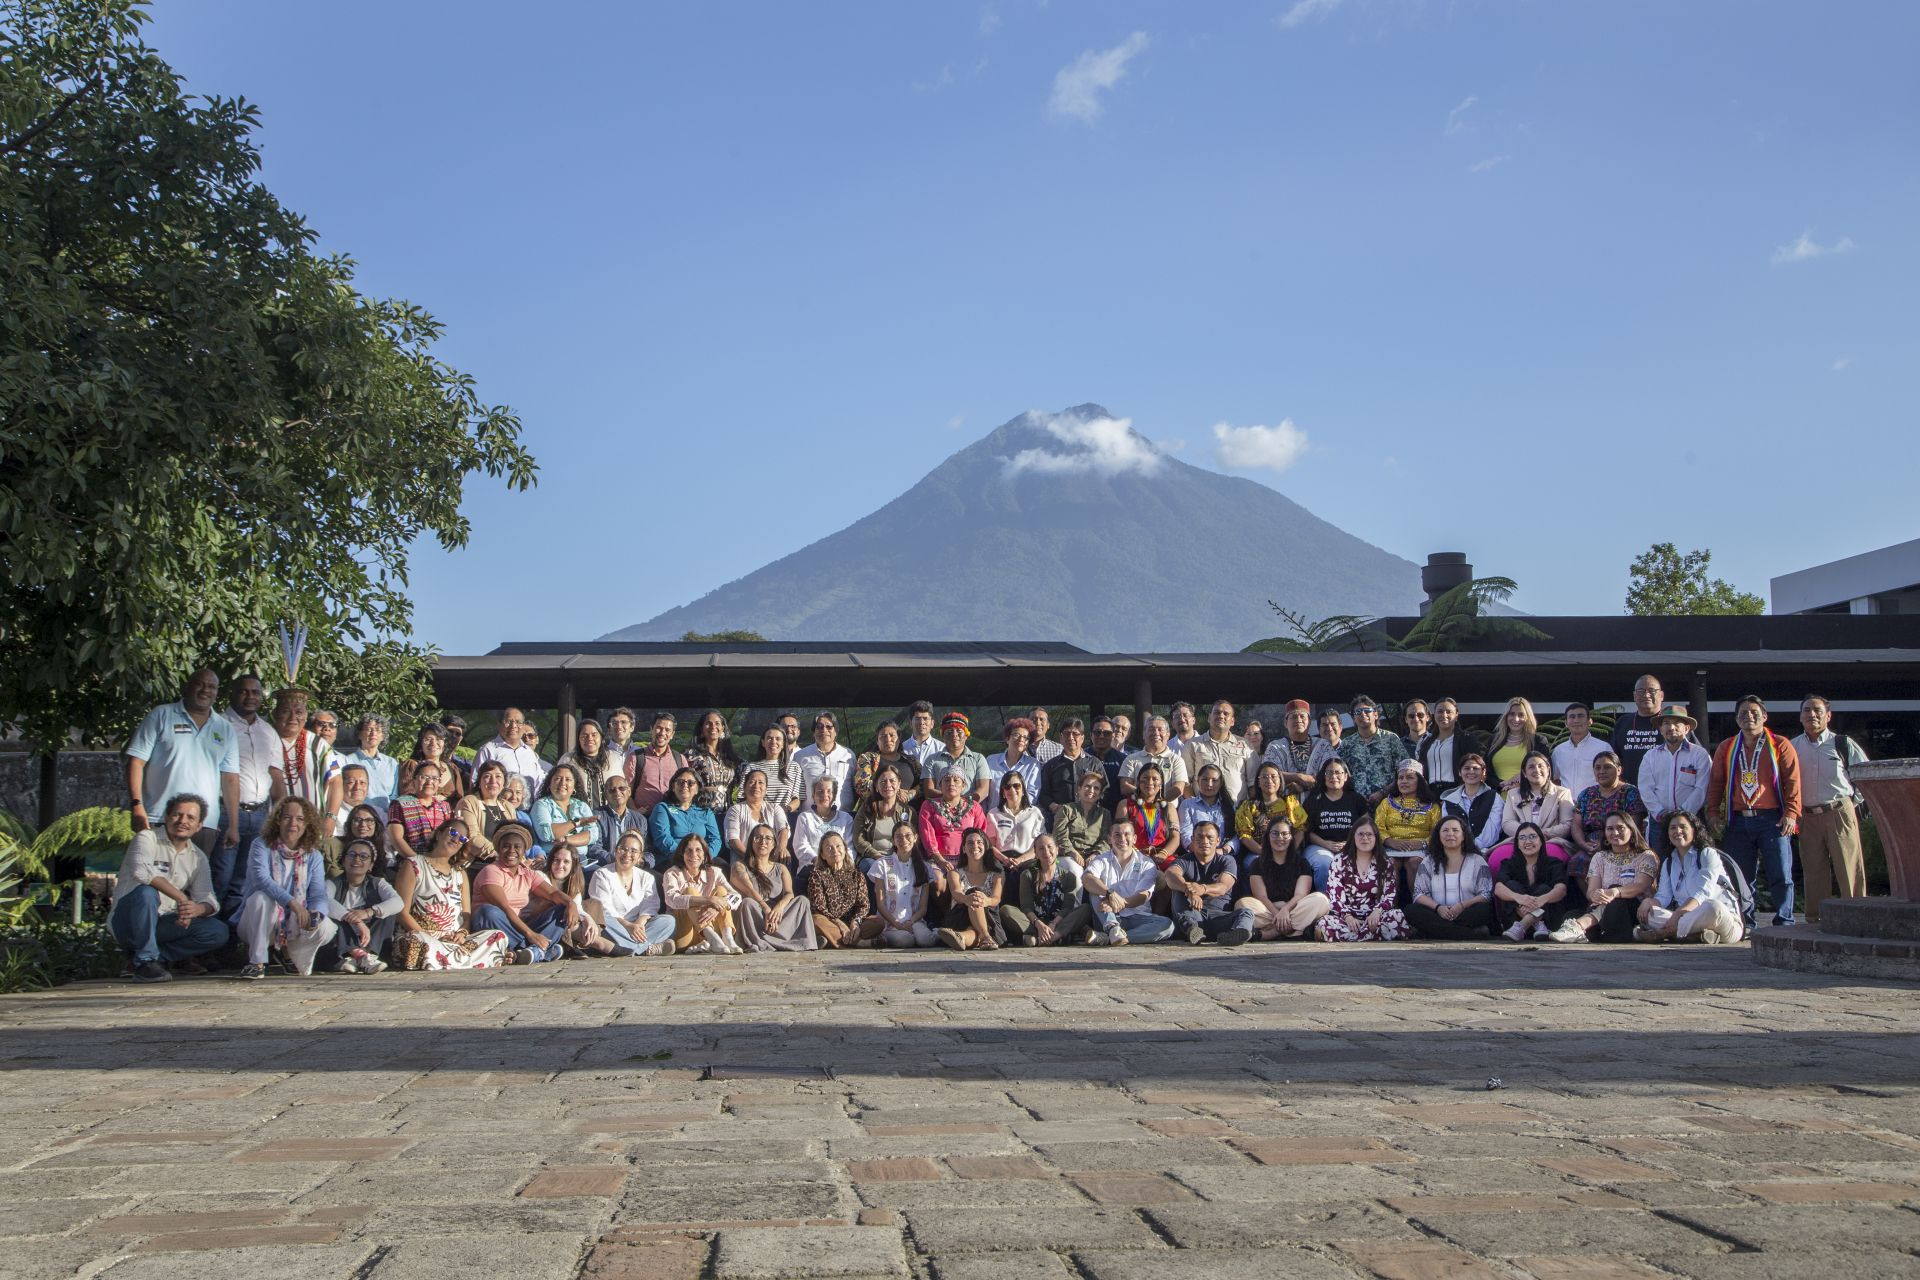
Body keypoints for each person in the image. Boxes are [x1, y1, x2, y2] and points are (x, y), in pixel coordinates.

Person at [125, 670, 241, 871]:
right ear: (186, 687)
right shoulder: (161, 715)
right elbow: (136, 762)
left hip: (203, 824)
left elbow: (230, 778)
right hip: (159, 817)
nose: (206, 690)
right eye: (200, 684)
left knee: (192, 888)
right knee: (153, 884)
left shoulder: (225, 728)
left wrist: (233, 824)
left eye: (212, 687)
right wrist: (137, 806)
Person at [109, 794, 230, 982]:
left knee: (217, 931)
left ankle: (151, 960)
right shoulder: (146, 838)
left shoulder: (198, 857)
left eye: (190, 818)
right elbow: (142, 873)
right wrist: (182, 898)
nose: (183, 821)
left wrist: (197, 909)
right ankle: (145, 961)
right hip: (127, 922)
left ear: (199, 826)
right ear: (166, 817)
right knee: (146, 893)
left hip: (163, 923)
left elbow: (209, 897)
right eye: (176, 815)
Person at [1707, 693, 1802, 929]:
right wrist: (1712, 812)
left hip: (1772, 818)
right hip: (1738, 820)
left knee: (1780, 873)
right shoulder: (1727, 747)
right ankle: (1745, 923)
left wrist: (1791, 813)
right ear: (1736, 719)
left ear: (1764, 717)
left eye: (1754, 713)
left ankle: (1784, 921)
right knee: (1740, 876)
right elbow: (1716, 782)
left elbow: (1792, 781)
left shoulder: (1780, 744)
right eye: (1743, 713)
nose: (1748, 716)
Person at [391, 817, 512, 970]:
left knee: (498, 936)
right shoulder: (413, 864)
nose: (456, 839)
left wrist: (461, 934)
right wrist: (429, 937)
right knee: (418, 942)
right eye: (453, 832)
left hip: (454, 940)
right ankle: (466, 960)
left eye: (462, 838)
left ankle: (447, 959)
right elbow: (402, 912)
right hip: (423, 935)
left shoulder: (459, 873)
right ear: (439, 833)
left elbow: (466, 916)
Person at [236, 797, 338, 980]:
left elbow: (318, 893)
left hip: (292, 923)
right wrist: (293, 904)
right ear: (277, 820)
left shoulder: (313, 855)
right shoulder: (261, 845)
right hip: (256, 921)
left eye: (299, 819)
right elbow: (262, 880)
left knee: (326, 927)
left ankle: (288, 954)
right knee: (262, 898)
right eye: (286, 817)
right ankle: (256, 962)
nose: (293, 823)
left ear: (308, 824)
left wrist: (316, 915)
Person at [1790, 695, 1870, 921]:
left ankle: (1856, 916)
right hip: (1806, 816)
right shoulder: (1792, 746)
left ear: (1828, 715)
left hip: (1839, 811)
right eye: (1806, 710)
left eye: (1817, 710)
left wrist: (1851, 805)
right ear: (1800, 715)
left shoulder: (1842, 743)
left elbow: (1864, 776)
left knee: (1849, 867)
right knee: (1813, 870)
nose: (1811, 715)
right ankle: (1815, 919)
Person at [473, 826, 587, 963]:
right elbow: (505, 907)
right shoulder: (491, 871)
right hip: (499, 926)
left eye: (517, 847)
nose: (511, 851)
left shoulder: (528, 873)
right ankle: (540, 951)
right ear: (498, 849)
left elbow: (553, 893)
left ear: (524, 850)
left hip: (520, 926)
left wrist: (570, 903)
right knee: (488, 911)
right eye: (506, 846)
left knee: (561, 907)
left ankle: (531, 952)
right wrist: (530, 934)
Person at [221, 674, 282, 914]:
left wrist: (280, 816)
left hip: (259, 815)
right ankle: (209, 938)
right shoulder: (218, 724)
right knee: (220, 876)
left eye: (255, 692)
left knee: (244, 881)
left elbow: (276, 775)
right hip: (226, 813)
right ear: (233, 694)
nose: (250, 697)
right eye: (244, 691)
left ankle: (232, 940)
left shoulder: (268, 731)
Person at [1547, 812, 1659, 943]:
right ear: (1605, 833)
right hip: (1605, 910)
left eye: (1620, 828)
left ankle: (1578, 926)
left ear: (1631, 830)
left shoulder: (1646, 856)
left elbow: (1641, 886)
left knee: (1615, 896)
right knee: (1570, 915)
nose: (1615, 833)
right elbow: (1591, 891)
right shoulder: (1600, 857)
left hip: (1636, 910)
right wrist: (1595, 895)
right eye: (1610, 829)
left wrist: (1615, 892)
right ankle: (1584, 929)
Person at [1637, 812, 1743, 944]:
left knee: (1713, 907)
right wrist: (1649, 902)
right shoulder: (1669, 862)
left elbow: (1704, 892)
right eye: (1673, 828)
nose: (1678, 831)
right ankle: (1695, 935)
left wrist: (1678, 913)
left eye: (1683, 827)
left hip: (1722, 921)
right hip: (1687, 918)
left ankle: (1667, 933)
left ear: (1694, 830)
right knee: (1651, 914)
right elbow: (1664, 896)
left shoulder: (1707, 853)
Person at [1315, 817, 1412, 942]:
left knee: (1396, 916)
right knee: (1325, 922)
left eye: (1369, 834)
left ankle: (1353, 936)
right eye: (1360, 834)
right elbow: (1334, 895)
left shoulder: (1385, 862)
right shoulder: (1339, 860)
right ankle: (1372, 936)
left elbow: (1390, 894)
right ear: (1353, 836)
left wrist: (1377, 912)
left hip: (1375, 917)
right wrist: (1347, 916)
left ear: (1376, 838)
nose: (1365, 838)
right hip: (1347, 918)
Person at [726, 823, 818, 951]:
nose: (763, 842)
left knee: (802, 901)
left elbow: (789, 893)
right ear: (751, 842)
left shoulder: (781, 868)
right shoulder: (740, 866)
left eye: (768, 838)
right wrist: (766, 908)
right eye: (757, 838)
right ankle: (769, 942)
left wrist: (779, 908)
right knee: (747, 903)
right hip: (757, 914)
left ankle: (794, 941)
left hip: (778, 916)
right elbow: (749, 890)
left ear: (774, 844)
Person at [1235, 818, 1330, 942]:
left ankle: (1271, 933)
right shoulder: (1257, 863)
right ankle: (1294, 931)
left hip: (1294, 908)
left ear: (1291, 837)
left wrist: (1285, 910)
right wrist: (1277, 914)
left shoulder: (1301, 863)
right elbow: (1261, 896)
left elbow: (1300, 895)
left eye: (1285, 834)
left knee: (1321, 900)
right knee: (1242, 905)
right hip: (1268, 910)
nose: (1280, 838)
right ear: (1268, 837)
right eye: (1275, 833)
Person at [588, 832, 679, 956]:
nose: (627, 854)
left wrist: (638, 924)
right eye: (623, 849)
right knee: (604, 921)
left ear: (640, 856)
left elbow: (650, 906)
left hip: (639, 928)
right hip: (615, 926)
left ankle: (629, 947)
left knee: (668, 921)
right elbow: (604, 909)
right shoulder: (602, 874)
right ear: (615, 850)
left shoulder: (646, 877)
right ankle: (646, 949)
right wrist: (627, 926)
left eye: (633, 851)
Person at [1638, 704, 1712, 856]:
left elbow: (1702, 788)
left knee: (1693, 863)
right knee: (1660, 867)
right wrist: (1660, 813)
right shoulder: (1650, 756)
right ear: (1660, 729)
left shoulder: (1699, 755)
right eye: (1666, 723)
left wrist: (1683, 814)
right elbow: (1645, 788)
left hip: (1690, 820)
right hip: (1659, 822)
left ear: (1687, 728)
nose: (1671, 727)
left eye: (1676, 723)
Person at [1082, 822, 1174, 945]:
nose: (1122, 839)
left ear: (1134, 838)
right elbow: (1087, 878)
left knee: (1167, 925)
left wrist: (1120, 903)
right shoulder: (1101, 860)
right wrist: (1109, 894)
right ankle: (1112, 929)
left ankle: (1110, 938)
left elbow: (1143, 896)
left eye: (1127, 834)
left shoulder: (1146, 863)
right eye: (1117, 835)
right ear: (1109, 839)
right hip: (1107, 916)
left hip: (1137, 916)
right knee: (1095, 888)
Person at [1406, 815, 1495, 940]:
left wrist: (1462, 906)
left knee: (1485, 910)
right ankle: (1469, 934)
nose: (1450, 834)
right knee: (1411, 910)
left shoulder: (1477, 861)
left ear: (1464, 835)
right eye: (1445, 830)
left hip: (1465, 912)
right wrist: (1438, 908)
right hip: (1437, 913)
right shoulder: (1429, 861)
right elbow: (1418, 894)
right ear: (1438, 835)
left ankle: (1434, 932)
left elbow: (1486, 894)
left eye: (1455, 830)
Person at [319, 839, 400, 973]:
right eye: (352, 855)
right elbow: (324, 900)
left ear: (371, 865)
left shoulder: (378, 883)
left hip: (369, 939)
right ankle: (352, 956)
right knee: (331, 916)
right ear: (344, 861)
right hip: (340, 942)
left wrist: (368, 912)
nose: (357, 859)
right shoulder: (332, 883)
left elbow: (398, 902)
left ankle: (366, 956)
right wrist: (356, 920)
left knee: (388, 914)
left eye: (363, 856)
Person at [1164, 821, 1251, 945]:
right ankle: (1193, 931)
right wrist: (1188, 890)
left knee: (1246, 913)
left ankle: (1235, 935)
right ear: (1192, 839)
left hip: (1218, 917)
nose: (1205, 841)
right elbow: (1170, 875)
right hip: (1191, 916)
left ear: (1218, 841)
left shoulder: (1227, 861)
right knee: (1177, 892)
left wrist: (1203, 889)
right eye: (1199, 837)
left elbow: (1223, 887)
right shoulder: (1183, 860)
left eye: (1210, 837)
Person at [661, 834, 744, 955]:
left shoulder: (714, 872)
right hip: (685, 934)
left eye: (698, 850)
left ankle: (727, 939)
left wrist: (716, 907)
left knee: (721, 891)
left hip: (715, 930)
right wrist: (708, 900)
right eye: (688, 850)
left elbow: (736, 896)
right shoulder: (672, 873)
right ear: (682, 854)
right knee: (690, 892)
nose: (693, 854)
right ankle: (712, 940)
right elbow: (672, 900)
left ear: (704, 854)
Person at [1000, 835, 1089, 947]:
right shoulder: (1027, 875)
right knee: (1006, 910)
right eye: (1041, 848)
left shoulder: (1068, 876)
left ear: (1057, 850)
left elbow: (1067, 907)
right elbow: (1026, 907)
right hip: (1034, 922)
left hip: (1058, 922)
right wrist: (1039, 925)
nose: (1046, 851)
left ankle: (1050, 937)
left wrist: (1053, 924)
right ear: (1036, 853)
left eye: (1049, 847)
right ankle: (1051, 936)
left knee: (1085, 909)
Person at [1494, 751, 1576, 872]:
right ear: (1524, 773)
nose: (1536, 770)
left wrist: (1540, 834)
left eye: (1540, 766)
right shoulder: (1513, 794)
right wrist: (1526, 835)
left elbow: (1567, 825)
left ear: (1548, 769)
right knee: (1497, 859)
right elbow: (1507, 822)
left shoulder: (1562, 793)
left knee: (1550, 856)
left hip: (1551, 841)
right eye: (1531, 767)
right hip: (1519, 842)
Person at [1571, 752, 1647, 879]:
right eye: (1598, 767)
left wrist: (1606, 844)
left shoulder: (1630, 792)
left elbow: (1634, 826)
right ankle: (1592, 897)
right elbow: (1576, 825)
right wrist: (1583, 844)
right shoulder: (1586, 794)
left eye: (1607, 767)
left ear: (1619, 770)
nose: (1602, 771)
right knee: (1577, 862)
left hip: (1621, 843)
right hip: (1590, 845)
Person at [1375, 760, 1440, 904]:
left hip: (1421, 849)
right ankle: (1389, 910)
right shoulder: (1387, 803)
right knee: (1391, 863)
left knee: (1414, 862)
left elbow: (1437, 832)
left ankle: (1419, 908)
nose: (1404, 781)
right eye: (1401, 778)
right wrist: (1390, 841)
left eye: (1409, 777)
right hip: (1390, 847)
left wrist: (1423, 843)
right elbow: (1377, 827)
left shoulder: (1432, 806)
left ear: (1420, 781)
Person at [1493, 822, 1570, 941]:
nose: (1527, 841)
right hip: (1515, 923)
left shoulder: (1554, 863)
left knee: (1544, 889)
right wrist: (1519, 898)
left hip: (1548, 923)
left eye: (1532, 837)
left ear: (1541, 841)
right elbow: (1498, 888)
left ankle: (1522, 926)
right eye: (1522, 838)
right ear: (1517, 843)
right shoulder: (1509, 863)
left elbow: (1561, 890)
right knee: (1511, 886)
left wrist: (1540, 900)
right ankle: (1537, 924)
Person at [867, 822, 938, 948]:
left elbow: (922, 907)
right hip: (889, 922)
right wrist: (896, 923)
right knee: (905, 940)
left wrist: (911, 921)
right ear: (893, 841)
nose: (903, 840)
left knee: (926, 940)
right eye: (898, 836)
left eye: (908, 835)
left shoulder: (924, 867)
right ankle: (883, 937)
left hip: (915, 921)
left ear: (915, 838)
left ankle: (940, 933)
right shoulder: (882, 865)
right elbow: (881, 904)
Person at [1302, 758, 1367, 891]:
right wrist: (1326, 844)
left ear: (1345, 776)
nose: (1334, 777)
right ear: (1323, 776)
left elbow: (1366, 826)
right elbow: (1306, 831)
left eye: (1338, 772)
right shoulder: (1314, 800)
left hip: (1352, 846)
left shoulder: (1356, 799)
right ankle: (1326, 902)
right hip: (1319, 846)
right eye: (1329, 773)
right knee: (1325, 863)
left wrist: (1350, 843)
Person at [1234, 762, 1306, 877]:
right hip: (1259, 853)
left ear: (1280, 779)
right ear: (1258, 781)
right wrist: (1265, 853)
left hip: (1288, 851)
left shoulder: (1290, 802)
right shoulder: (1248, 806)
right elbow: (1245, 836)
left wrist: (1289, 851)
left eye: (1273, 776)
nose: (1269, 780)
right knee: (1251, 864)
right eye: (1264, 777)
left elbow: (1300, 830)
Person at [935, 828, 1003, 951]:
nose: (975, 846)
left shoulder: (996, 874)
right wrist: (968, 898)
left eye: (979, 842)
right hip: (960, 916)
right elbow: (956, 893)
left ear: (986, 847)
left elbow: (996, 898)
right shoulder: (954, 873)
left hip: (989, 918)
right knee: (974, 893)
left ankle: (962, 937)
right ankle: (985, 936)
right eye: (970, 843)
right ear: (964, 849)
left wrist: (986, 901)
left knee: (976, 897)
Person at [1337, 695, 1410, 806]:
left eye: (1367, 711)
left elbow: (1405, 770)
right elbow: (1338, 773)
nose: (1362, 714)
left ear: (1375, 714)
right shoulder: (1347, 744)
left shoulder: (1391, 739)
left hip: (1388, 802)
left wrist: (1383, 792)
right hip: (1357, 805)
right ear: (1353, 718)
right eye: (1358, 712)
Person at [647, 769, 723, 874]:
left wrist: (703, 857)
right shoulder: (663, 808)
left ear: (697, 789)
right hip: (672, 859)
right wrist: (687, 857)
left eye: (691, 783)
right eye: (680, 782)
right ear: (673, 787)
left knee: (725, 868)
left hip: (702, 859)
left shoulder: (706, 812)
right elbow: (662, 839)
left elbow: (715, 840)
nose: (685, 786)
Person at [917, 763, 994, 866]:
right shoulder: (929, 806)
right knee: (939, 881)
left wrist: (971, 860)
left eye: (956, 780)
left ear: (963, 786)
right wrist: (940, 860)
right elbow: (927, 835)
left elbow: (980, 835)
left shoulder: (974, 807)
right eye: (947, 780)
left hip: (969, 859)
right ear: (940, 785)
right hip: (938, 860)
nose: (951, 784)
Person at [808, 831, 874, 948]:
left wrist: (856, 922)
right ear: (822, 855)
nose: (834, 850)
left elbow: (864, 905)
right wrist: (839, 923)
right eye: (829, 848)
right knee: (816, 920)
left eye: (838, 846)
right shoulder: (817, 875)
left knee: (877, 922)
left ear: (845, 849)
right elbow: (818, 907)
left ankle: (835, 939)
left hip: (853, 924)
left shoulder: (857, 875)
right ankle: (857, 943)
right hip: (830, 922)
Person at [1183, 700, 1253, 804]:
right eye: (1217, 712)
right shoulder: (1193, 745)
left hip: (1238, 810)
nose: (1221, 716)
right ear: (1209, 718)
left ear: (1232, 721)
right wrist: (1194, 805)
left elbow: (1253, 783)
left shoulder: (1245, 745)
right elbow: (1184, 781)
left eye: (1226, 714)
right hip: (1203, 811)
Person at [530, 764, 598, 873]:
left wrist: (566, 841)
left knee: (598, 874)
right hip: (553, 860)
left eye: (568, 779)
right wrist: (578, 822)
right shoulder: (541, 805)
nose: (562, 783)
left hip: (580, 859)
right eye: (558, 779)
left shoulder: (582, 806)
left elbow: (592, 835)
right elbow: (546, 833)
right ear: (549, 784)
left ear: (574, 786)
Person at [473, 707, 548, 803]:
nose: (513, 726)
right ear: (499, 724)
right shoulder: (488, 750)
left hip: (528, 813)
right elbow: (475, 783)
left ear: (523, 726)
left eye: (518, 722)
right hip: (500, 811)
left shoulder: (529, 753)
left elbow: (539, 783)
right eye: (508, 721)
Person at [1610, 675, 1675, 785]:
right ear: (1634, 696)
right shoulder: (1623, 722)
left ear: (1661, 695)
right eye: (1641, 691)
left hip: (1664, 791)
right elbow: (1613, 759)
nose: (1646, 695)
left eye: (1652, 690)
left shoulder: (1673, 724)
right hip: (1629, 792)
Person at [387, 761, 453, 866]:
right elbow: (396, 838)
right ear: (414, 780)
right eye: (424, 777)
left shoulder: (445, 807)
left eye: (435, 778)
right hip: (411, 864)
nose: (429, 782)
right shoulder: (400, 803)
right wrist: (419, 862)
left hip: (439, 864)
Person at [1115, 761, 1180, 868]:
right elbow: (1120, 836)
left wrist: (1163, 854)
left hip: (1163, 857)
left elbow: (1175, 838)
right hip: (1133, 856)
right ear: (1138, 782)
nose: (1150, 782)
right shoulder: (1125, 805)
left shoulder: (1168, 807)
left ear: (1161, 784)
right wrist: (1138, 856)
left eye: (1155, 779)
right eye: (1145, 778)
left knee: (1174, 874)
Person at [851, 764, 914, 873]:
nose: (888, 785)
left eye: (892, 781)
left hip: (900, 857)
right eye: (883, 782)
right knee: (876, 869)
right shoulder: (867, 808)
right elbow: (858, 839)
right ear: (876, 785)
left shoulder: (908, 811)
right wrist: (876, 855)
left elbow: (914, 840)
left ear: (899, 784)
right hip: (872, 858)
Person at [452, 760, 517, 865]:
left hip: (506, 863)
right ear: (479, 781)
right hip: (479, 864)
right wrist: (500, 854)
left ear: (504, 782)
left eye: (498, 776)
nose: (493, 781)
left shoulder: (508, 807)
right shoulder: (468, 802)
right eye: (487, 776)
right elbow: (471, 836)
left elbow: (515, 837)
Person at [1439, 753, 1505, 855]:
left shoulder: (1494, 797)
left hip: (1487, 851)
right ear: (1460, 772)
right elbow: (1448, 830)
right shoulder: (1449, 801)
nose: (1471, 771)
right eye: (1466, 768)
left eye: (1476, 768)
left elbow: (1493, 830)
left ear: (1483, 772)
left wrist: (1472, 847)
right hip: (1456, 851)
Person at [726, 766, 792, 866]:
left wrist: (781, 848)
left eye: (761, 782)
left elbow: (783, 830)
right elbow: (733, 840)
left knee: (785, 857)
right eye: (752, 782)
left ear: (766, 789)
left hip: (771, 862)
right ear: (744, 787)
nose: (756, 786)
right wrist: (754, 860)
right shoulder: (735, 810)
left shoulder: (775, 809)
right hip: (744, 862)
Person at [1263, 700, 1332, 796]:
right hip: (1285, 806)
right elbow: (1267, 773)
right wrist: (1298, 777)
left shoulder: (1323, 745)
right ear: (1285, 722)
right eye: (1294, 717)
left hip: (1320, 804)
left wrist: (1307, 784)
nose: (1298, 720)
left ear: (1309, 722)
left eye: (1302, 716)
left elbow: (1335, 771)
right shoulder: (1275, 747)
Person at [1483, 698, 1553, 789]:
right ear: (1506, 716)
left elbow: (1547, 772)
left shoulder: (1538, 741)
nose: (1516, 719)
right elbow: (1486, 771)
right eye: (1512, 714)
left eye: (1521, 715)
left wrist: (1522, 780)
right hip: (1497, 798)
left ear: (1528, 717)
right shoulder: (1494, 740)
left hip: (1528, 798)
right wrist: (1502, 784)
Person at [990, 772, 1045, 887]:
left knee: (1031, 874)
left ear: (1023, 790)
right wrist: (1005, 859)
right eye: (1007, 786)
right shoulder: (993, 814)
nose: (1012, 790)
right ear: (1003, 792)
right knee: (999, 873)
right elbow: (990, 845)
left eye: (1016, 786)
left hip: (1027, 858)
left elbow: (1039, 844)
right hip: (1001, 858)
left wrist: (1019, 860)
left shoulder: (1035, 813)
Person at [793, 711, 857, 812]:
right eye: (819, 726)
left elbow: (856, 788)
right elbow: (795, 792)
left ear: (836, 732)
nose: (824, 730)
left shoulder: (848, 755)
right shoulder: (800, 756)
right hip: (810, 820)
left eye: (829, 727)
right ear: (813, 732)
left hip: (844, 819)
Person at [923, 711, 990, 804]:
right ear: (943, 735)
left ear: (966, 735)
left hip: (971, 814)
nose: (954, 734)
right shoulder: (931, 760)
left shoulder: (978, 759)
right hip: (939, 814)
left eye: (959, 731)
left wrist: (964, 804)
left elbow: (983, 790)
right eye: (949, 731)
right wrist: (953, 801)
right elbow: (928, 791)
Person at [1051, 768, 1114, 866]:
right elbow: (1059, 835)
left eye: (1096, 788)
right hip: (1068, 856)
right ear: (1079, 789)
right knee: (1074, 870)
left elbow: (1106, 839)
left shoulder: (1105, 814)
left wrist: (1096, 854)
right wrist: (1072, 852)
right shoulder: (1066, 809)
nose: (1091, 790)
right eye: (1087, 786)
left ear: (1100, 794)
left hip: (1095, 857)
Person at [1037, 718, 1100, 814]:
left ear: (1082, 738)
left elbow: (1105, 790)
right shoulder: (1051, 765)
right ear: (1061, 738)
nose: (1071, 737)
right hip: (1060, 818)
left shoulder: (1094, 763)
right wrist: (1053, 806)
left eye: (1075, 734)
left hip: (1090, 817)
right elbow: (1043, 793)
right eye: (1067, 734)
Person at [626, 713, 686, 813]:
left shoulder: (680, 759)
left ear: (672, 734)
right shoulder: (635, 757)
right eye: (659, 728)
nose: (662, 733)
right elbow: (625, 791)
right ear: (651, 729)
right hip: (644, 817)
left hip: (672, 816)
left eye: (667, 730)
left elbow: (687, 791)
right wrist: (635, 812)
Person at [1416, 697, 1481, 789]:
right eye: (1440, 711)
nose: (1444, 715)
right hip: (1430, 793)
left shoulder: (1466, 738)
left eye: (1448, 711)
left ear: (1456, 715)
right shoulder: (1427, 742)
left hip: (1456, 790)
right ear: (1434, 715)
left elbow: (1474, 767)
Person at [792, 773, 854, 869]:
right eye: (820, 791)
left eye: (829, 791)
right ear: (813, 796)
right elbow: (800, 846)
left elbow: (850, 847)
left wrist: (840, 863)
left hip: (841, 867)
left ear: (834, 795)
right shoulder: (804, 818)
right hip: (812, 867)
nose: (825, 795)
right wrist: (818, 861)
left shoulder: (846, 819)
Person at [344, 715, 401, 816]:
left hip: (386, 818)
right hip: (359, 817)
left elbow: (394, 796)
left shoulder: (391, 763)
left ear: (383, 736)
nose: (373, 733)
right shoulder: (348, 761)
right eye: (369, 729)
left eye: (378, 730)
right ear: (359, 734)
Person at [1551, 703, 1610, 800]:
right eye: (1572, 717)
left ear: (1590, 721)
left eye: (1580, 716)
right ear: (1566, 723)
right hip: (1566, 805)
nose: (1576, 720)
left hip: (1595, 804)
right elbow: (1555, 780)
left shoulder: (1603, 747)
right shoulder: (1558, 751)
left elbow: (1612, 778)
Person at [1120, 716, 1189, 798]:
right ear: (1144, 735)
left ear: (1168, 735)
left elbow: (1178, 788)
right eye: (1151, 729)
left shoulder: (1176, 760)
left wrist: (1157, 800)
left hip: (1166, 808)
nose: (1156, 733)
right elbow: (1125, 787)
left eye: (1160, 730)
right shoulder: (1131, 759)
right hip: (1137, 808)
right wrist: (1147, 798)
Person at [1179, 763, 1236, 862]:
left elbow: (1236, 836)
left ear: (1221, 783)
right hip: (1196, 856)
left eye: (1214, 780)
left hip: (1223, 856)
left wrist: (1223, 850)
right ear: (1197, 781)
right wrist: (1203, 852)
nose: (1209, 784)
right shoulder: (1187, 804)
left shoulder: (1229, 806)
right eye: (1205, 779)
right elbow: (1186, 835)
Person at [853, 720, 920, 804]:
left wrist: (910, 794)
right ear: (877, 741)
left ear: (899, 739)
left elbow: (924, 784)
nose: (888, 739)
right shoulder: (868, 759)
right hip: (878, 813)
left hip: (909, 813)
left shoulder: (912, 761)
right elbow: (861, 786)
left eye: (892, 735)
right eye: (883, 736)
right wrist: (893, 792)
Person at [686, 710, 741, 811]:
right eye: (708, 723)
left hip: (728, 813)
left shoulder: (731, 756)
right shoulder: (691, 755)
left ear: (723, 729)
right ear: (701, 729)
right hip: (701, 811)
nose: (713, 727)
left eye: (717, 723)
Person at [556, 718, 616, 810]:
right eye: (585, 735)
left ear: (601, 737)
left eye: (594, 735)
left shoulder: (612, 758)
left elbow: (621, 786)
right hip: (577, 814)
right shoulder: (568, 759)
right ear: (578, 739)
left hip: (609, 816)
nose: (590, 738)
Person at [398, 723, 464, 804]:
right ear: (421, 743)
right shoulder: (411, 765)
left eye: (438, 739)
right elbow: (407, 798)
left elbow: (460, 799)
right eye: (428, 739)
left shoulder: (452, 768)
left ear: (445, 743)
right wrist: (434, 800)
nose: (433, 743)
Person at [591, 774, 648, 865]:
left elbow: (648, 850)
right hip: (607, 866)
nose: (617, 792)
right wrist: (619, 861)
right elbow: (594, 848)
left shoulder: (640, 820)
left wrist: (643, 861)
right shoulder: (597, 816)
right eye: (612, 790)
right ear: (605, 795)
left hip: (635, 866)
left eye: (622, 788)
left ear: (629, 791)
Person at [985, 718, 1042, 809]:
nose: (1021, 739)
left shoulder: (1033, 765)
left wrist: (1014, 811)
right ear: (1007, 739)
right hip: (993, 817)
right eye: (1016, 735)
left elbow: (1032, 795)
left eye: (1026, 737)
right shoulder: (991, 760)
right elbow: (984, 791)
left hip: (1021, 816)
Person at [747, 724, 803, 813]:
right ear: (763, 742)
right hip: (756, 817)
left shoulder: (794, 767)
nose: (773, 742)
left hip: (784, 817)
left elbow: (797, 799)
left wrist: (785, 810)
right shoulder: (751, 767)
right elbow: (743, 796)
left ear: (783, 744)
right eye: (769, 738)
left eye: (778, 739)